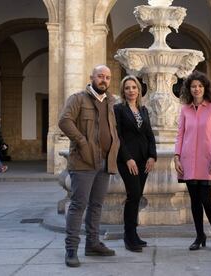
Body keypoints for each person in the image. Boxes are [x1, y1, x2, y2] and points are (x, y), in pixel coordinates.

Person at [58, 65, 120, 267]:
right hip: (83, 161)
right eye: (100, 76)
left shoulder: (111, 101)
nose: (104, 80)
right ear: (92, 77)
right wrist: (82, 142)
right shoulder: (78, 99)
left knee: (96, 205)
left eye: (108, 77)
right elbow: (64, 121)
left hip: (105, 161)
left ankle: (92, 244)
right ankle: (71, 250)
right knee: (78, 205)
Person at [174, 71, 211, 252]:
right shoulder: (185, 109)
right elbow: (180, 134)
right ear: (189, 88)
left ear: (205, 88)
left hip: (207, 160)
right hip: (187, 160)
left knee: (206, 199)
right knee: (194, 200)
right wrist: (176, 157)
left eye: (200, 86)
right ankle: (199, 235)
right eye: (193, 86)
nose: (197, 89)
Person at [114, 75, 157, 252]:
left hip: (143, 160)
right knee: (133, 195)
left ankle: (134, 234)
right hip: (128, 160)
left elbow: (149, 134)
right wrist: (127, 158)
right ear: (123, 91)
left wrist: (152, 156)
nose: (131, 90)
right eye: (127, 88)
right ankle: (128, 236)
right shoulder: (118, 109)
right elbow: (118, 136)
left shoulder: (144, 110)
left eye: (134, 87)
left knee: (137, 196)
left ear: (139, 90)